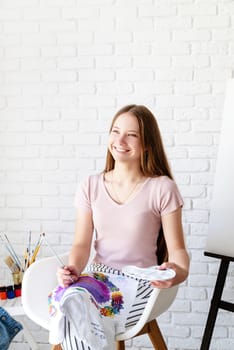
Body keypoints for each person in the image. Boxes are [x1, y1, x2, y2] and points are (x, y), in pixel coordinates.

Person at [49, 104, 190, 350]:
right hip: (98, 277)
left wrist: (176, 272)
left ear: (147, 143)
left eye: (131, 135)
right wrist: (73, 268)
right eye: (115, 131)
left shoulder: (162, 188)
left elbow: (177, 250)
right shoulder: (90, 186)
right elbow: (81, 244)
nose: (120, 140)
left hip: (139, 282)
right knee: (69, 299)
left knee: (79, 310)